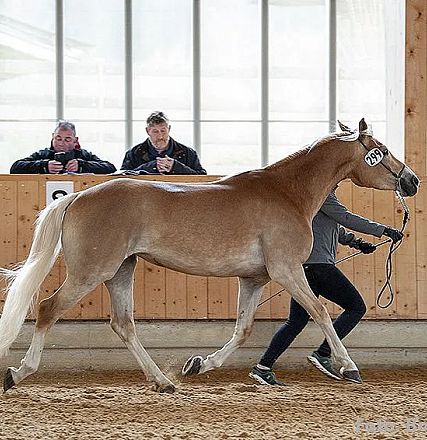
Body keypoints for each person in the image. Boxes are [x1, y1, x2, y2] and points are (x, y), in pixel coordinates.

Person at [249, 190, 404, 386]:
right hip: (319, 267)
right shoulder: (322, 196)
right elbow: (346, 218)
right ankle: (324, 352)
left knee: (295, 322)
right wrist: (383, 230)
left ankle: (263, 367)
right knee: (356, 307)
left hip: (306, 269)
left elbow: (335, 229)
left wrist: (357, 243)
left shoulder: (312, 199)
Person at [10, 121, 116, 174]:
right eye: (58, 138)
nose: (61, 143)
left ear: (75, 140)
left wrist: (82, 166)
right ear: (52, 137)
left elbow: (110, 168)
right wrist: (44, 166)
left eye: (67, 139)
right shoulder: (43, 154)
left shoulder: (83, 155)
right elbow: (15, 168)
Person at [121, 111, 206, 175]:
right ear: (147, 131)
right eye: (155, 131)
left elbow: (202, 177)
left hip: (178, 197)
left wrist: (176, 167)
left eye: (163, 131)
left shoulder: (188, 153)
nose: (160, 136)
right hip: (144, 198)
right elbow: (122, 178)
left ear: (169, 129)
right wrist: (152, 166)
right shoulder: (133, 153)